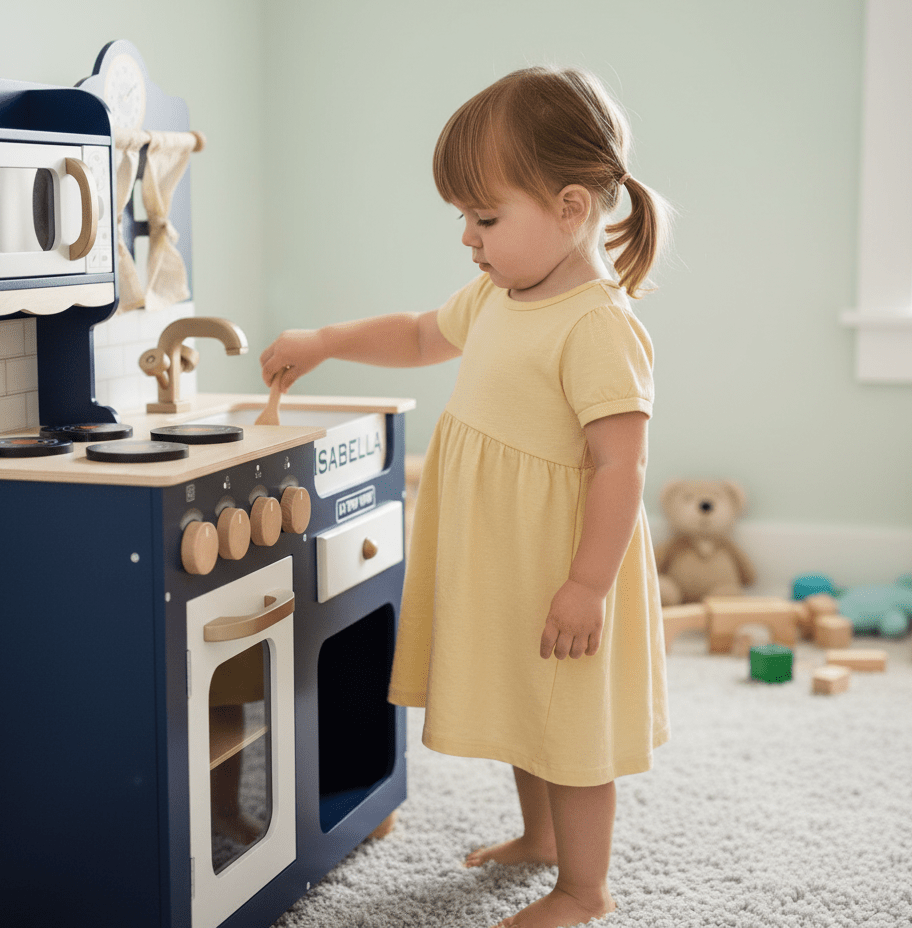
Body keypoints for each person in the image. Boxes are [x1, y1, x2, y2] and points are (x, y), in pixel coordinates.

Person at [260, 66, 672, 928]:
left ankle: (586, 890)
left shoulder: (597, 325)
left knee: (570, 729)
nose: (468, 238)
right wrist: (325, 340)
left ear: (568, 209)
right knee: (530, 707)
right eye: (464, 219)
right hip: (505, 558)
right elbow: (417, 335)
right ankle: (541, 838)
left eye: (486, 218)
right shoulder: (497, 294)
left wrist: (587, 585)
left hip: (563, 562)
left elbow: (620, 468)